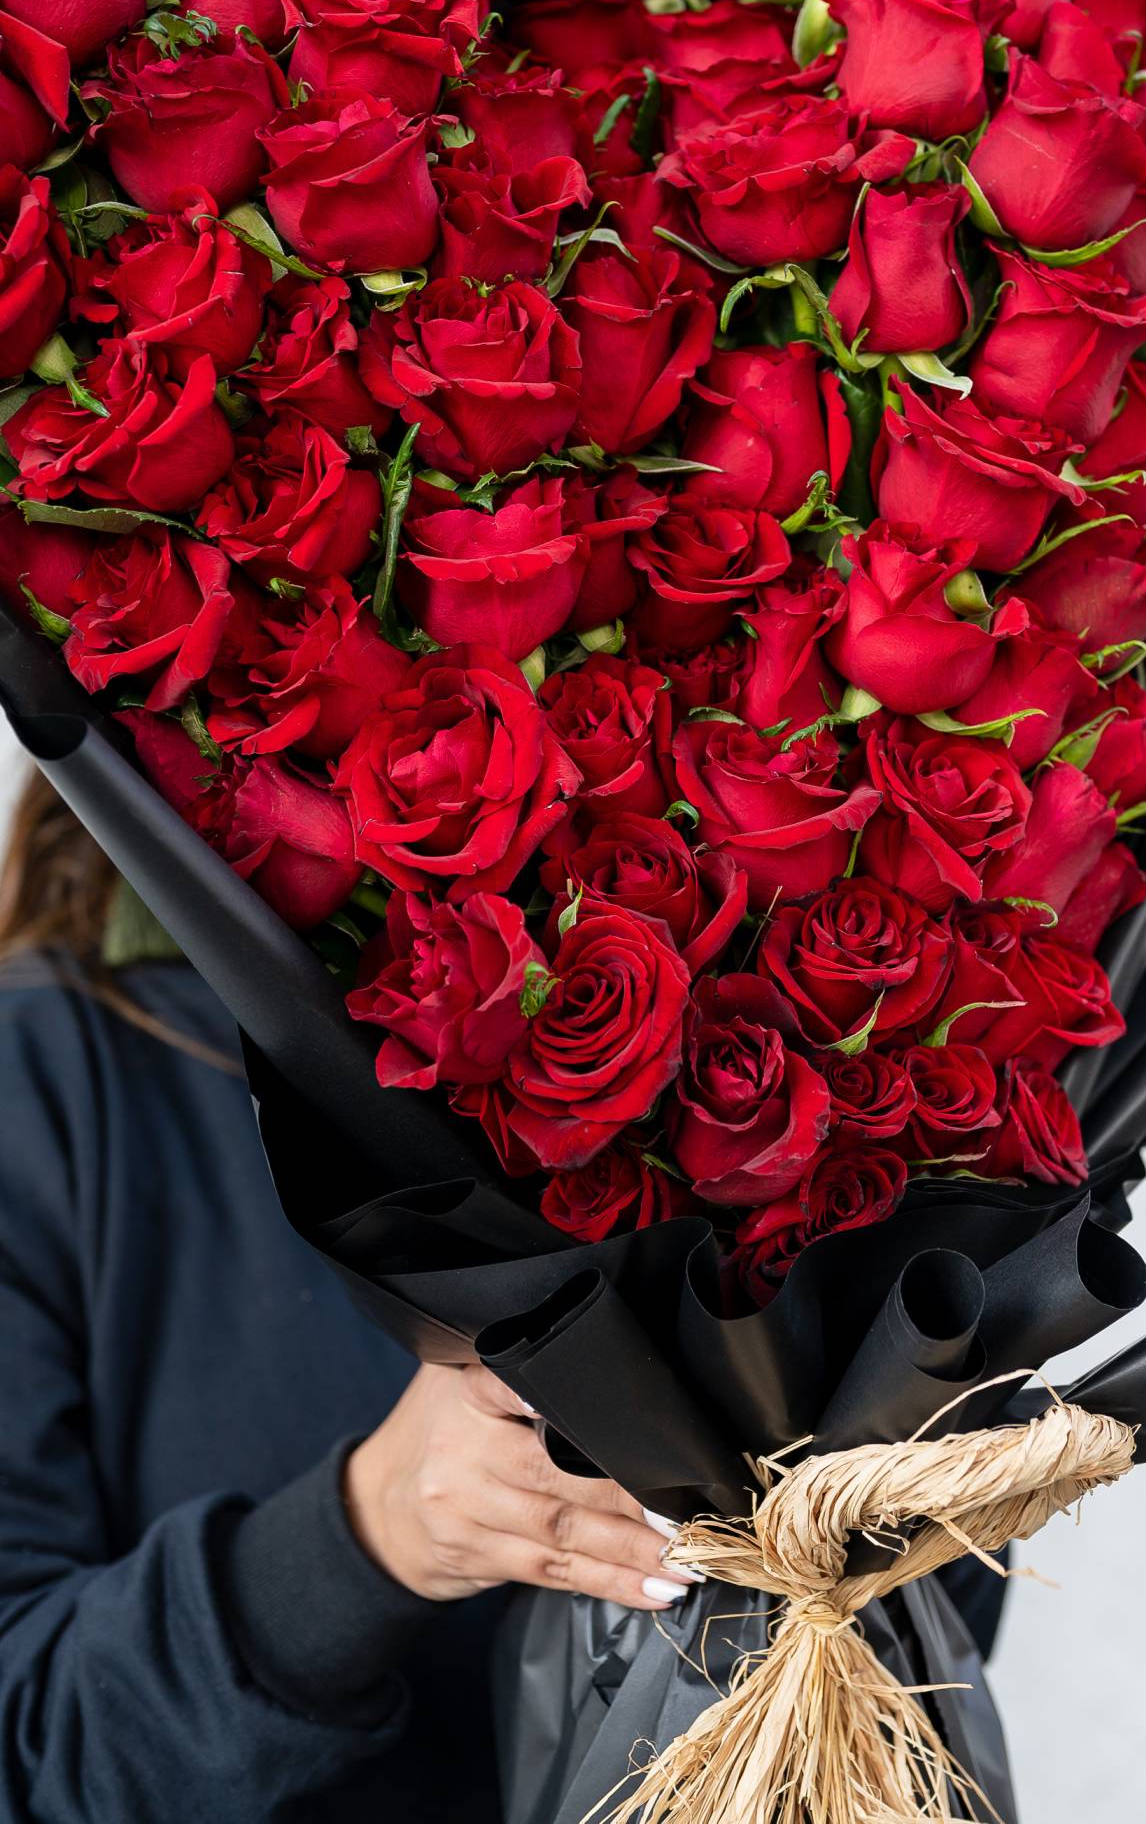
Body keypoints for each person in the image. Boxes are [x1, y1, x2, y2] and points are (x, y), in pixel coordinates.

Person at [0, 767, 694, 1824]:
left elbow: (934, 1647)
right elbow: (22, 1757)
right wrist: (371, 1535)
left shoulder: (705, 1038)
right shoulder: (46, 1085)